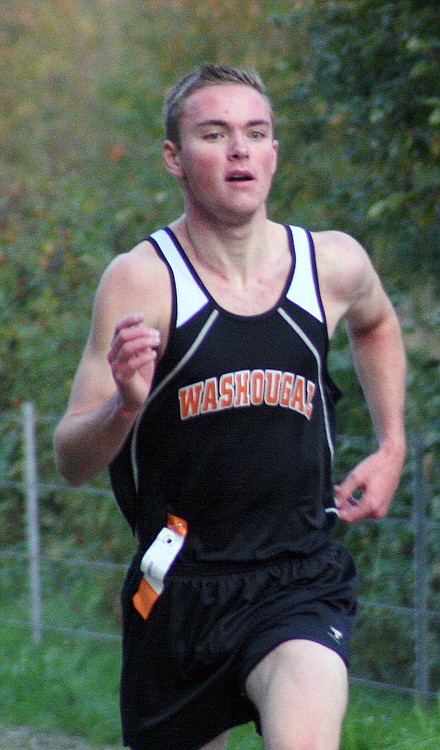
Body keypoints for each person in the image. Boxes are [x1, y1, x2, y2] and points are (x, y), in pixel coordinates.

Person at [54, 64, 407, 750]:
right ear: (175, 159)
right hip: (180, 588)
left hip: (300, 578)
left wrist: (392, 444)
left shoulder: (330, 265)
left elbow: (378, 323)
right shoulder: (142, 280)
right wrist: (123, 410)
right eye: (214, 134)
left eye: (256, 133)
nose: (240, 149)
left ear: (275, 151)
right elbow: (69, 458)